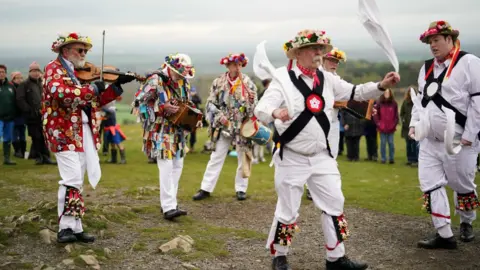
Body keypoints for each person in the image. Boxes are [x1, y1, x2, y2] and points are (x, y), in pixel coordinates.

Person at [254, 29, 400, 270]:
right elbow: (261, 108)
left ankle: (336, 258)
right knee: (288, 210)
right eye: (314, 48)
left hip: (323, 156)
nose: (320, 53)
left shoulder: (327, 78)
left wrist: (381, 85)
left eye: (322, 48)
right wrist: (275, 112)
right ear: (299, 53)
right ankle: (279, 255)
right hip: (292, 157)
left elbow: (355, 92)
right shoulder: (282, 78)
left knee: (335, 203)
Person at [43, 32, 131, 243]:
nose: (84, 54)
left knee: (77, 180)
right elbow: (61, 94)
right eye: (80, 50)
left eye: (85, 50)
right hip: (63, 130)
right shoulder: (53, 68)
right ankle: (64, 228)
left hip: (83, 132)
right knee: (71, 178)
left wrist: (116, 87)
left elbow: (94, 101)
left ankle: (76, 226)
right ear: (66, 50)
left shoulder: (77, 72)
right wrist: (92, 88)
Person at [410, 21, 480, 248]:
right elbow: (420, 101)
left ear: (450, 39)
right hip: (429, 140)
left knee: (462, 183)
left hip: (460, 141)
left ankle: (467, 221)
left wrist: (470, 134)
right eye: (430, 41)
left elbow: (478, 102)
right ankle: (444, 233)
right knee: (430, 184)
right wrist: (414, 124)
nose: (432, 45)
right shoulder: (426, 67)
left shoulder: (469, 63)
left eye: (437, 39)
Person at [133, 53, 197, 220]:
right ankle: (168, 206)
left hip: (178, 131)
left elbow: (186, 101)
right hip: (160, 129)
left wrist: (191, 115)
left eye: (183, 75)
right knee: (166, 165)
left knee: (178, 164)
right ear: (170, 68)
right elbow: (139, 103)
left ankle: (171, 203)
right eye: (178, 73)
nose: (180, 77)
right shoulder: (155, 80)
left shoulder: (184, 82)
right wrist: (162, 107)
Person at [193, 53, 257, 201]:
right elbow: (210, 103)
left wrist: (252, 101)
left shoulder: (248, 83)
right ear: (228, 65)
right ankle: (205, 188)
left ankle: (241, 189)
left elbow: (254, 108)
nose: (237, 67)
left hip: (242, 126)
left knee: (244, 157)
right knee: (216, 156)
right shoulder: (218, 82)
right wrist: (219, 116)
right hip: (224, 126)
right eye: (235, 64)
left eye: (240, 64)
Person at [306, 47, 347, 199]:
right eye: (331, 60)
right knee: (314, 154)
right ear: (323, 60)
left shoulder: (338, 79)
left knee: (332, 155)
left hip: (334, 122)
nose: (334, 64)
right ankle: (310, 188)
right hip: (316, 122)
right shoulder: (314, 75)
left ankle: (331, 189)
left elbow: (348, 97)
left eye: (336, 61)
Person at [16, 61, 56, 165]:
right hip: (32, 117)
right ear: (29, 72)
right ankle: (39, 157)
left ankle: (45, 156)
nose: (35, 73)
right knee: (36, 136)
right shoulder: (24, 84)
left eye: (37, 70)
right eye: (33, 71)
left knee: (44, 136)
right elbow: (20, 100)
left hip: (43, 115)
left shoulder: (41, 84)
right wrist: (29, 110)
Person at [373, 89, 398, 164]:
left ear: (390, 93)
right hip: (382, 128)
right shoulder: (379, 103)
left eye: (388, 92)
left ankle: (391, 158)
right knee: (383, 143)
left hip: (391, 128)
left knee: (391, 143)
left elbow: (396, 116)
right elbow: (375, 115)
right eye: (385, 92)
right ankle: (383, 158)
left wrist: (394, 124)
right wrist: (379, 124)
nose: (386, 94)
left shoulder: (394, 103)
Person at [0, 64, 17, 165]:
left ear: (5, 73)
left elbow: (16, 100)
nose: (1, 74)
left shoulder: (11, 86)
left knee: (8, 138)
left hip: (10, 118)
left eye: (3, 72)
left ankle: (7, 158)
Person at [101, 98, 127, 164]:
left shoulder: (110, 109)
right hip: (108, 129)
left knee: (118, 143)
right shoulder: (106, 109)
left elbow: (106, 110)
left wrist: (100, 106)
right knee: (112, 144)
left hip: (113, 129)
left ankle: (123, 159)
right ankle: (113, 159)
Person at [400, 87, 418, 166]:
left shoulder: (418, 103)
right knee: (408, 144)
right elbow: (401, 113)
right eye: (410, 92)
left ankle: (416, 159)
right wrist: (403, 120)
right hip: (406, 127)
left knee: (415, 144)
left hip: (416, 128)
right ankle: (409, 159)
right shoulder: (405, 102)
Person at [10, 71, 27, 159]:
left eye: (21, 78)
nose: (20, 80)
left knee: (22, 133)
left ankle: (23, 150)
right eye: (17, 78)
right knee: (14, 133)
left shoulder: (23, 87)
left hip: (22, 115)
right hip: (14, 115)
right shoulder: (11, 88)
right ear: (13, 79)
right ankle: (17, 151)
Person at [189, 86, 202, 153]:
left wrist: (193, 98)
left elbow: (200, 101)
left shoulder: (196, 97)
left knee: (193, 133)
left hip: (194, 117)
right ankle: (185, 147)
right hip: (188, 116)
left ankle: (192, 147)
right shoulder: (188, 96)